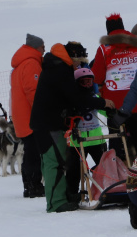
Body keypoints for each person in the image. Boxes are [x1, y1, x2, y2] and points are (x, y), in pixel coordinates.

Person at [31, 43, 115, 213]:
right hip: (48, 125)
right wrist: (102, 102)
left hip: (49, 123)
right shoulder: (60, 70)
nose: (79, 66)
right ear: (73, 57)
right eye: (79, 62)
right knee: (54, 162)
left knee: (60, 160)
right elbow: (76, 98)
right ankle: (56, 202)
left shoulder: (57, 66)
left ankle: (65, 195)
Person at [91, 14, 137, 161]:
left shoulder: (104, 49)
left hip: (115, 105)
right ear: (123, 28)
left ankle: (119, 177)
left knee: (117, 143)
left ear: (108, 30)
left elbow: (96, 76)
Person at [10, 34, 45, 197]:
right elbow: (33, 91)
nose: (44, 49)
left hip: (21, 115)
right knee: (34, 153)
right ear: (36, 47)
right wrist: (40, 112)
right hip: (31, 116)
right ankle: (34, 186)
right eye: (43, 46)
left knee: (29, 152)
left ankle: (29, 185)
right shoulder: (31, 63)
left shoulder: (19, 65)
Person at [65, 68, 107, 199]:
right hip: (77, 141)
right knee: (73, 170)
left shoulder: (96, 98)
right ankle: (72, 194)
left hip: (97, 139)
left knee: (103, 169)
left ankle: (105, 190)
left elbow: (105, 112)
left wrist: (110, 110)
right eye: (84, 82)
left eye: (90, 82)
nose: (88, 85)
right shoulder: (73, 100)